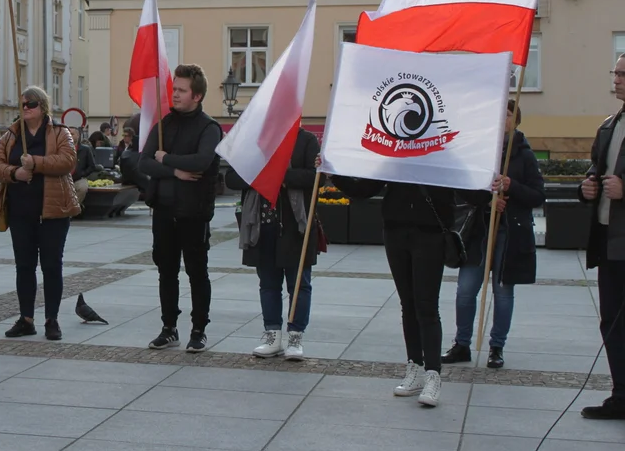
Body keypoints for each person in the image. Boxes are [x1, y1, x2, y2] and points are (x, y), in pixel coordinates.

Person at [330, 165, 474, 407]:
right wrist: (333, 173)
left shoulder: (442, 152)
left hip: (430, 234)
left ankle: (433, 375)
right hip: (396, 231)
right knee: (408, 304)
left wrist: (490, 182)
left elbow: (470, 190)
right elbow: (364, 189)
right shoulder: (394, 154)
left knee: (426, 306)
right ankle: (414, 367)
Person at [443, 100, 544, 369]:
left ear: (517, 120)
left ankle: (497, 346)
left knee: (502, 292)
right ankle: (461, 343)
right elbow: (461, 189)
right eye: (500, 114)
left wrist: (512, 187)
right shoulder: (479, 150)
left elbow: (538, 194)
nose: (504, 119)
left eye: (509, 114)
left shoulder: (524, 153)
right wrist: (488, 201)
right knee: (465, 290)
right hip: (478, 232)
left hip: (509, 235)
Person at [139, 64, 222, 353]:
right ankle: (168, 327)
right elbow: (144, 161)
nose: (174, 94)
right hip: (163, 209)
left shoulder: (209, 128)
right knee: (166, 271)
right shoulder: (164, 124)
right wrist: (174, 171)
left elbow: (201, 162)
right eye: (174, 89)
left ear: (196, 96)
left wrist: (166, 159)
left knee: (197, 272)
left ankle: (198, 329)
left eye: (181, 90)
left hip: (194, 212)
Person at [0, 86, 79, 341]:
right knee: (24, 267)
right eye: (22, 105)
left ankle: (52, 318)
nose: (25, 108)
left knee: (51, 266)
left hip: (53, 211)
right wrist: (14, 172)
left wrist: (36, 163)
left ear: (43, 107)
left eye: (30, 104)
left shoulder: (60, 132)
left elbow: (68, 160)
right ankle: (26, 318)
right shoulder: (11, 135)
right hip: (20, 212)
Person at [227, 126, 320, 361]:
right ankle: (272, 334)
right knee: (268, 284)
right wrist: (262, 175)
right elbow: (231, 177)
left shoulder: (306, 140)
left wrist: (277, 174)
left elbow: (315, 176)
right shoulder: (255, 139)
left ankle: (296, 336)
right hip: (261, 223)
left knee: (299, 284)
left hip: (295, 225)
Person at [577, 53, 625, 420]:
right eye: (616, 72)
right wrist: (587, 187)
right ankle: (620, 394)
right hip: (610, 240)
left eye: (623, 74)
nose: (617, 79)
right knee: (611, 318)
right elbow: (597, 166)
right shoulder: (610, 124)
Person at [70, 127, 99, 209]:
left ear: (78, 135)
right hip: (65, 177)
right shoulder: (62, 149)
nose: (69, 135)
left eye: (72, 134)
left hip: (79, 178)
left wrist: (82, 174)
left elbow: (92, 166)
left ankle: (73, 209)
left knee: (82, 188)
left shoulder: (85, 149)